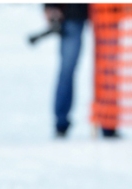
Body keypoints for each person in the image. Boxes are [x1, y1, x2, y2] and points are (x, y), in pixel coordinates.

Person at [44, 3, 119, 139]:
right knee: (67, 68)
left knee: (108, 68)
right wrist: (51, 5)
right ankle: (61, 124)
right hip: (71, 10)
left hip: (107, 10)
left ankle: (109, 122)